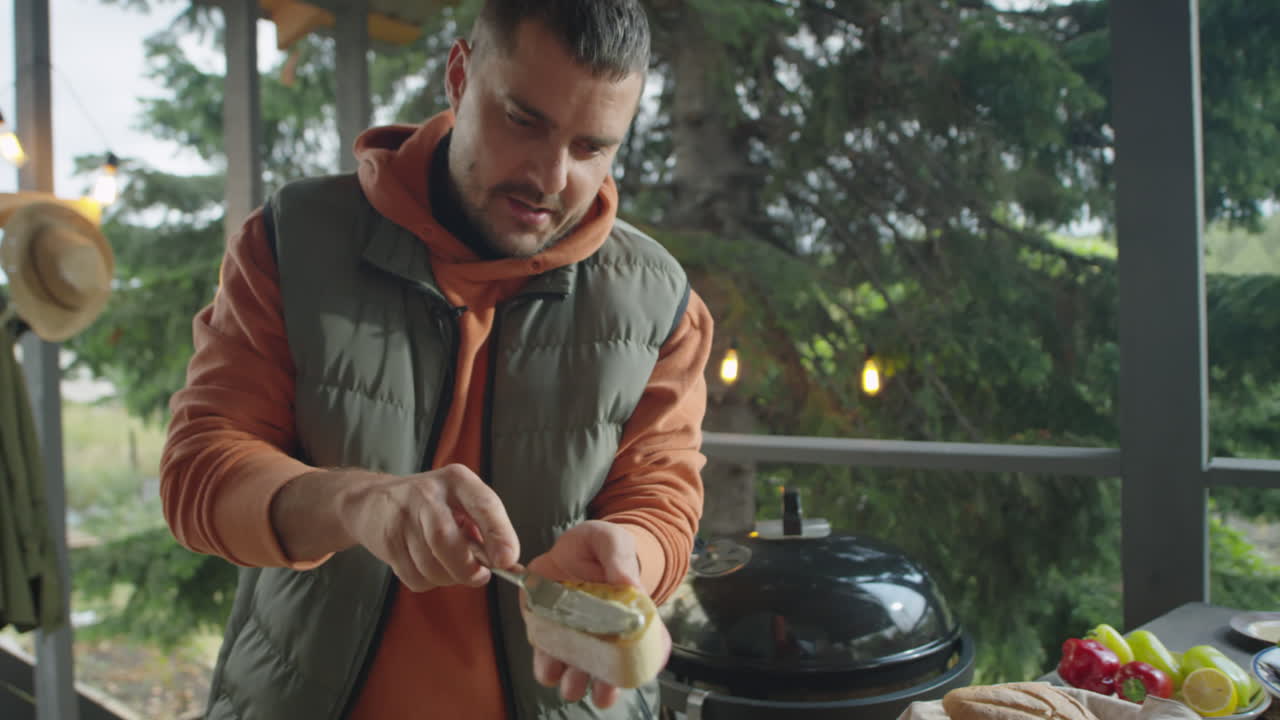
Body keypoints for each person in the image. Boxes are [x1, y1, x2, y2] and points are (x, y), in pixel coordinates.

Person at [159, 1, 713, 718]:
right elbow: (199, 473)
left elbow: (662, 497)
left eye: (592, 148)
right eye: (524, 120)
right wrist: (357, 505)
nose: (550, 178)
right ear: (459, 76)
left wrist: (629, 556)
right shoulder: (292, 242)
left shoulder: (661, 300)